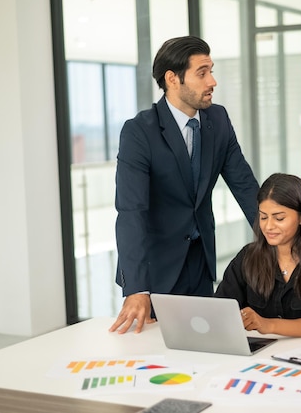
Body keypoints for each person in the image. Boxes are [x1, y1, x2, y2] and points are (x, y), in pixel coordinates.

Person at [110, 36, 259, 334]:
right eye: (202, 73)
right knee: (155, 361)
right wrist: (136, 288)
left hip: (201, 263)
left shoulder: (218, 119)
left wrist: (278, 236)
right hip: (155, 273)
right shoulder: (139, 132)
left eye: (211, 70)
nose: (212, 81)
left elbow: (244, 184)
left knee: (205, 350)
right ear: (172, 79)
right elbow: (131, 211)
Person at [215, 173, 301, 337]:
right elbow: (219, 308)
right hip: (261, 354)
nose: (268, 226)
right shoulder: (248, 257)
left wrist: (268, 324)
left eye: (279, 218)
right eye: (263, 217)